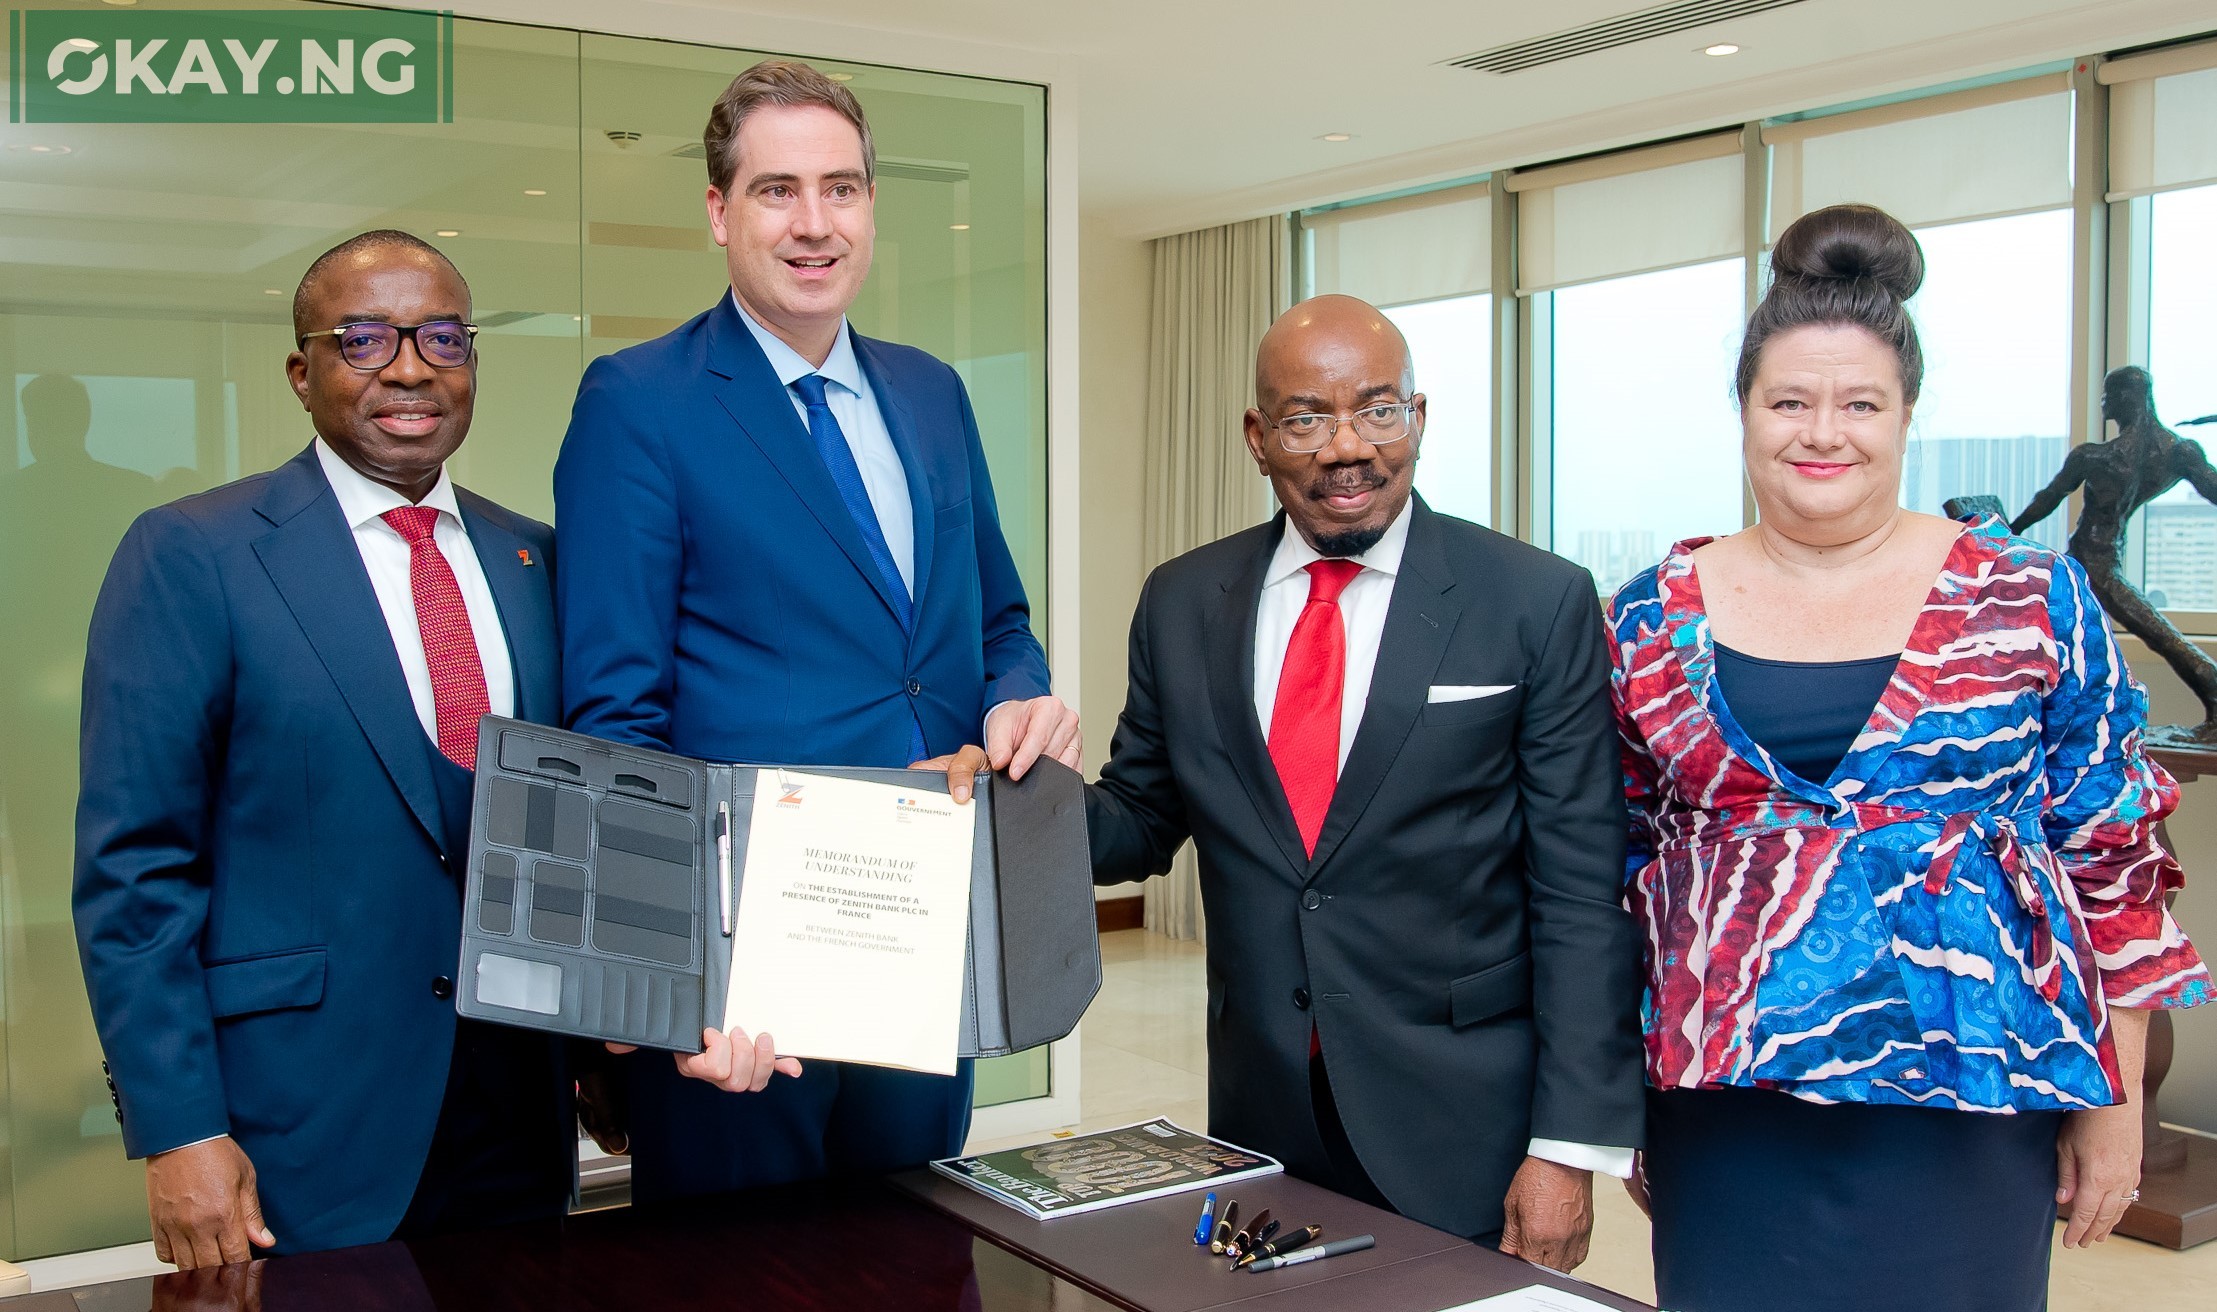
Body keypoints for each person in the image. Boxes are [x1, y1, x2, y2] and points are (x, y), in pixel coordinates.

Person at [1608, 203, 2213, 1312]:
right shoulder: (1649, 617)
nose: (1821, 433)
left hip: (1973, 1092)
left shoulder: (2027, 597)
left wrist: (2115, 1099)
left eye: (1860, 403)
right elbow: (1613, 865)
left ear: (1905, 415)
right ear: (1743, 412)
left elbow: (2113, 855)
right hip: (1726, 1101)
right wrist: (1612, 1104)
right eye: (1788, 401)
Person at [553, 59, 1075, 1201]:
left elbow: (997, 620)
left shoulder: (932, 393)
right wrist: (672, 984)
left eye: (840, 189)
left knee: (919, 1244)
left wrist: (1016, 700)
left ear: (871, 207)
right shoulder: (638, 401)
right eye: (776, 190)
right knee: (739, 1270)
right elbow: (616, 719)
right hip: (748, 973)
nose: (813, 223)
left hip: (925, 932)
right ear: (718, 211)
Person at [1084, 295, 1643, 1263]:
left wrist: (1566, 1147)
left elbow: (1579, 892)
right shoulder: (1182, 601)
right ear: (1258, 438)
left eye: (1378, 410)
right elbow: (1137, 815)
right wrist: (997, 800)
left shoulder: (1533, 599)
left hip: (1463, 1125)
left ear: (1417, 418)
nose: (1348, 447)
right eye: (1306, 418)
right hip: (1262, 1122)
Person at [73, 231, 573, 1265]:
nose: (410, 368)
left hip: (518, 1115)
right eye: (364, 340)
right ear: (302, 375)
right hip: (301, 1126)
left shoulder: (537, 559)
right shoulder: (194, 555)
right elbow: (136, 870)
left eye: (442, 338)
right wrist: (178, 1126)